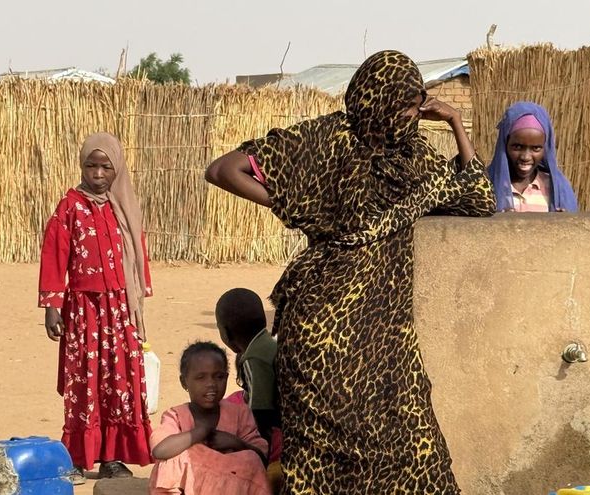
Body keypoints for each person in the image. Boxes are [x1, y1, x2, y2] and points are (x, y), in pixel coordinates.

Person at [205, 50, 495, 493]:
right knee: (385, 452)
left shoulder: (375, 149)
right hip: (345, 334)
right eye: (408, 106)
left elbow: (479, 200)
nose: (413, 115)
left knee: (365, 453)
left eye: (416, 106)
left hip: (359, 331)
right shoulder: (380, 151)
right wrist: (301, 210)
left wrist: (456, 121)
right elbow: (222, 169)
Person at [39, 132, 153, 481]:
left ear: (116, 169)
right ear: (81, 166)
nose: (98, 173)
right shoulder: (69, 207)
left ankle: (112, 459)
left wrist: (137, 299)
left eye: (106, 167)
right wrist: (52, 305)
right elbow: (55, 256)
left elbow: (136, 255)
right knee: (84, 383)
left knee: (118, 383)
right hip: (84, 311)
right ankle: (77, 457)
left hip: (120, 311)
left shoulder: (124, 209)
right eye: (91, 165)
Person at [149, 342, 271, 495]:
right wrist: (201, 432)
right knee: (174, 456)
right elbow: (160, 450)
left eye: (218, 377)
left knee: (250, 458)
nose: (211, 384)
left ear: (227, 378)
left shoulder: (239, 413)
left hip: (229, 488)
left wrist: (236, 443)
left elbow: (261, 459)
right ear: (184, 382)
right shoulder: (176, 416)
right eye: (201, 377)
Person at [216, 288, 283, 492]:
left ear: (226, 334)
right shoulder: (268, 345)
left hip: (276, 435)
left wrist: (257, 453)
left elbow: (261, 411)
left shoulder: (254, 359)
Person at [487, 101, 578, 212]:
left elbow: (571, 225)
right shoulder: (488, 184)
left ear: (545, 148)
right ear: (505, 143)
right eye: (517, 147)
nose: (525, 157)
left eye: (536, 148)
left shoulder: (557, 189)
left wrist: (561, 222)